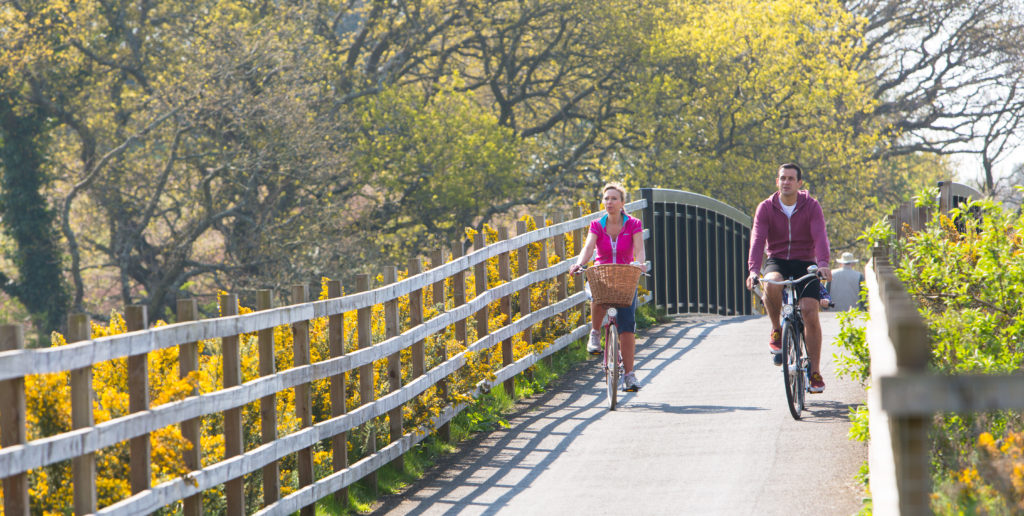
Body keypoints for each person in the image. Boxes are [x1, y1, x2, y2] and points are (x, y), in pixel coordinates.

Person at [745, 163, 832, 393]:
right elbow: (757, 240)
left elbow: (820, 236)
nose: (786, 182)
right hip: (778, 259)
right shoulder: (765, 208)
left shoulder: (811, 206)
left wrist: (823, 264)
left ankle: (814, 372)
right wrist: (753, 270)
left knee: (809, 311)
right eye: (782, 178)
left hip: (806, 261)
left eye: (791, 179)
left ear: (799, 183)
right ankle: (777, 329)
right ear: (777, 182)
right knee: (770, 282)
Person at [569, 182, 648, 392]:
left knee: (627, 327)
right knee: (596, 290)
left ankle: (630, 376)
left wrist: (639, 264)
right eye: (606, 199)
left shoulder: (633, 224)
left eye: (614, 198)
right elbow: (588, 248)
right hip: (603, 273)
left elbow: (639, 250)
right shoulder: (596, 225)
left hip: (625, 275)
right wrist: (579, 263)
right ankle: (594, 333)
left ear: (622, 202)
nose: (609, 202)